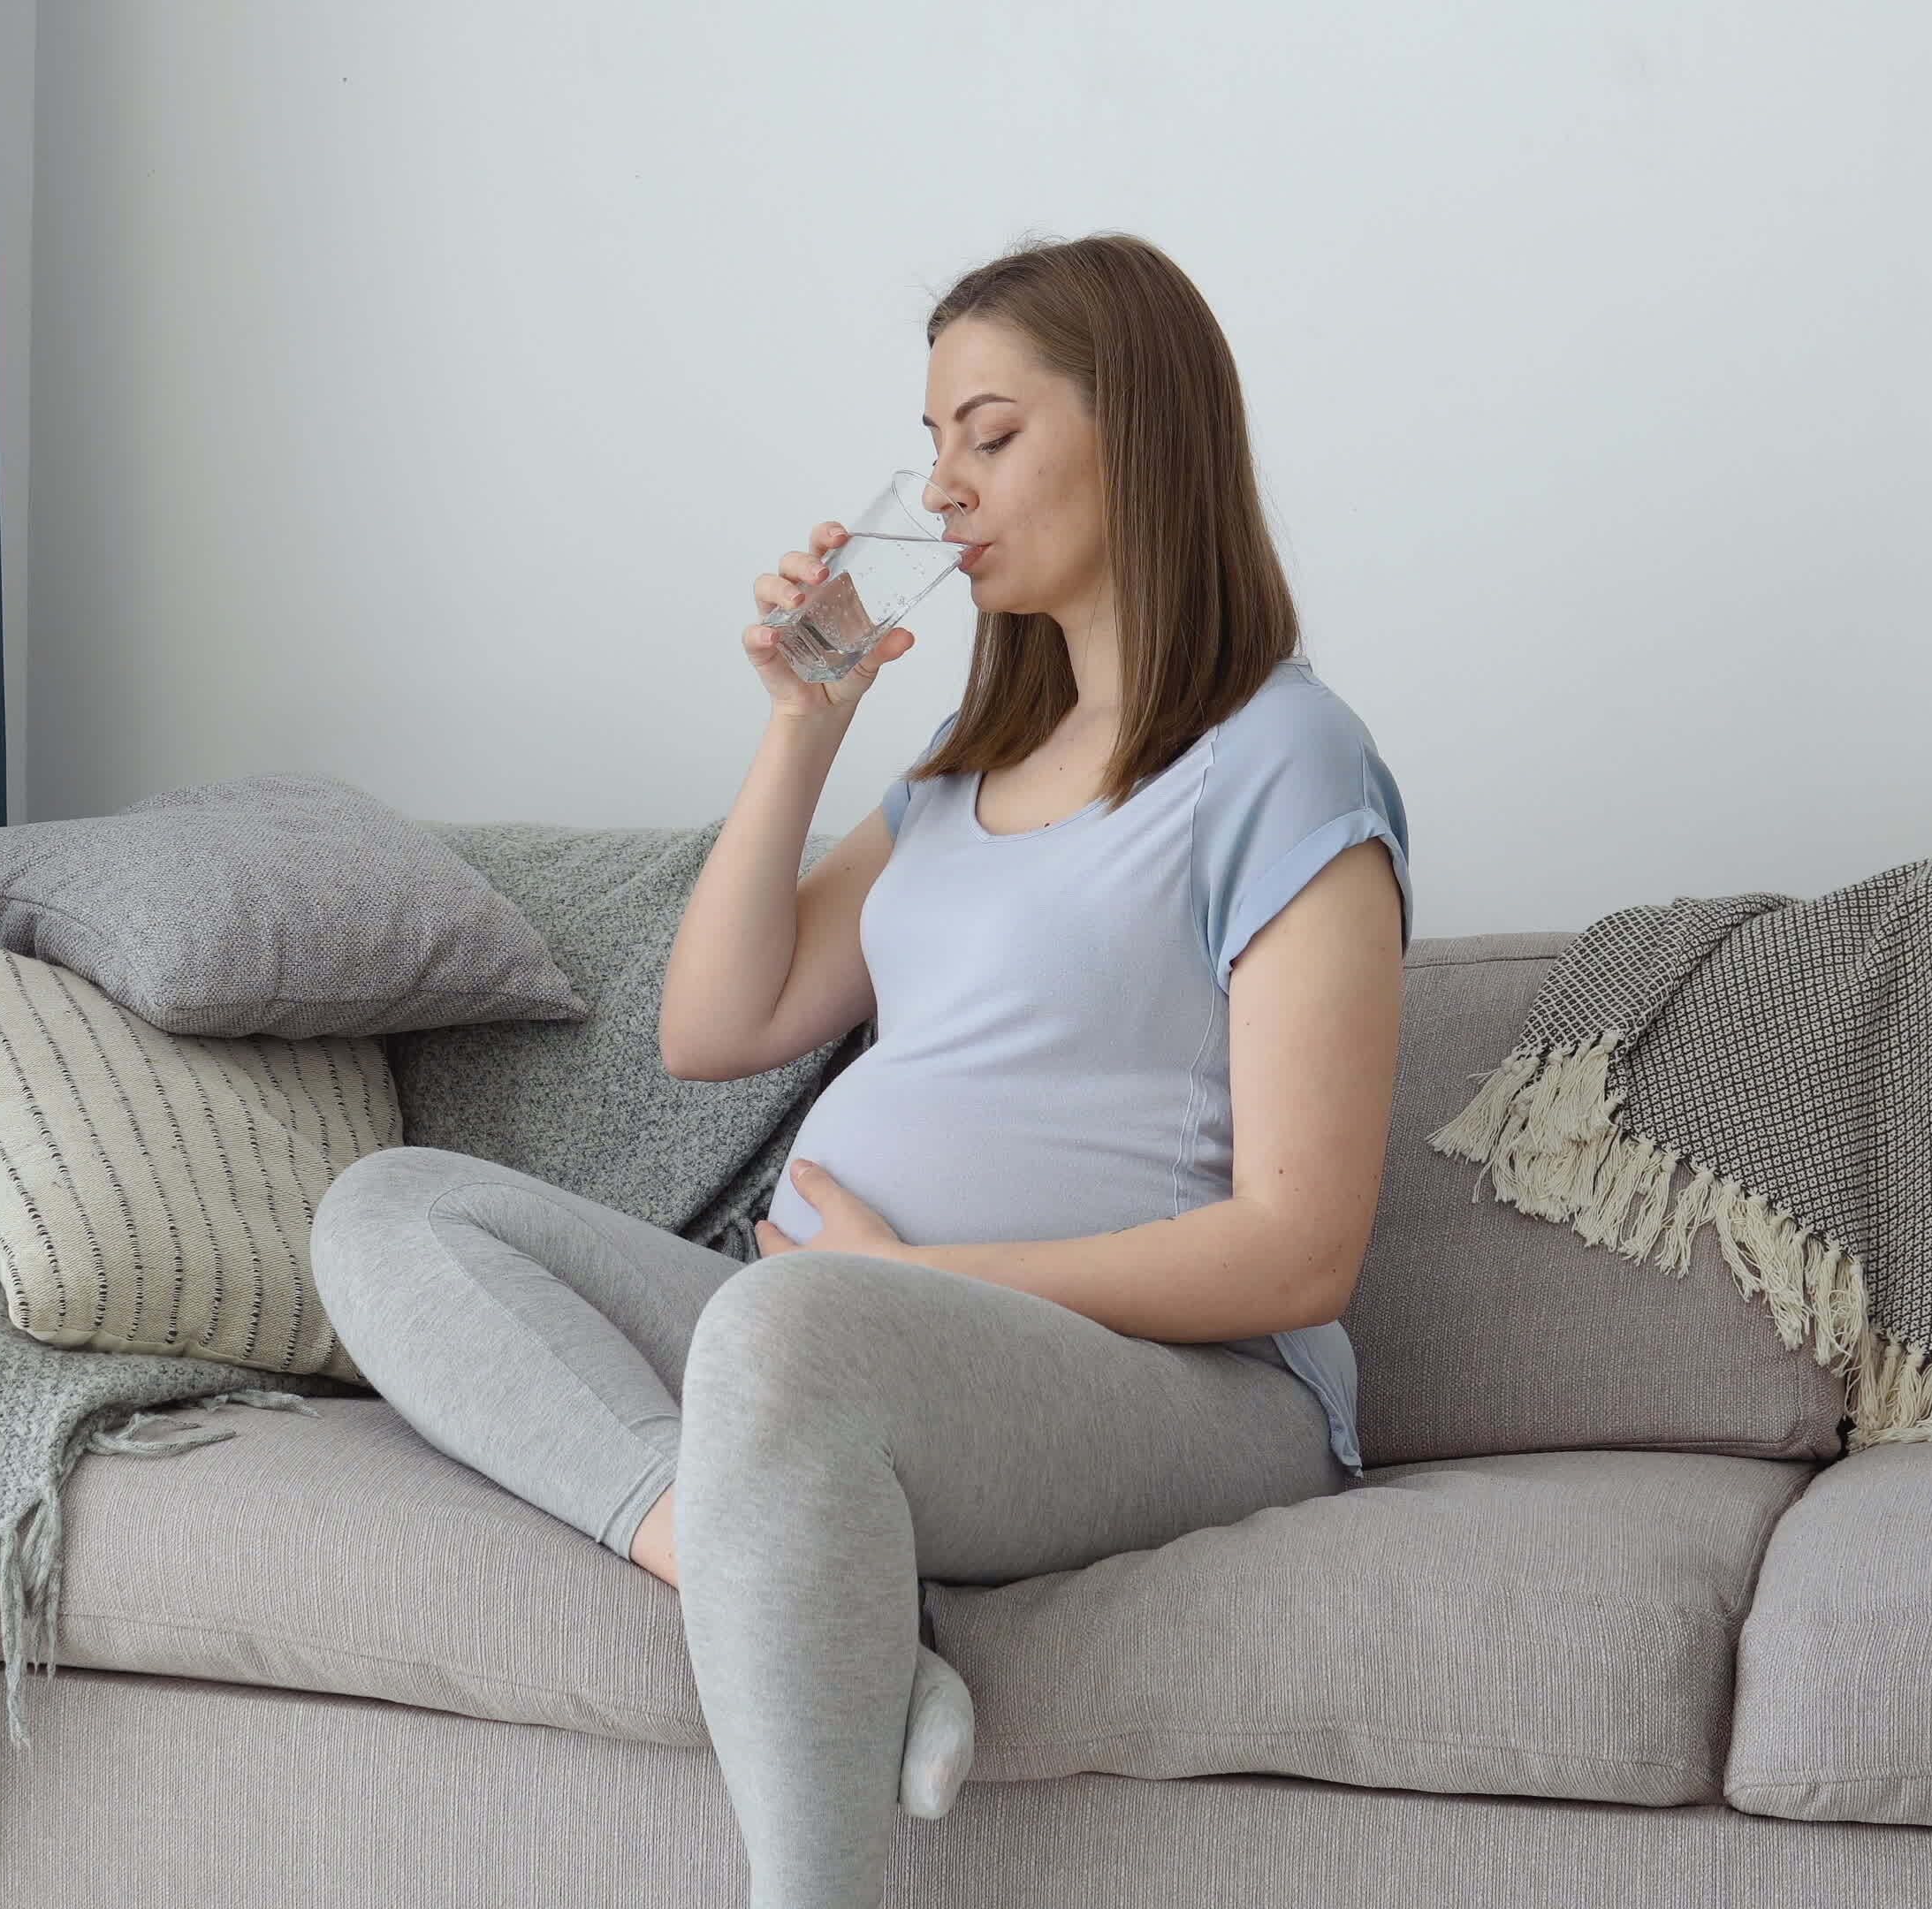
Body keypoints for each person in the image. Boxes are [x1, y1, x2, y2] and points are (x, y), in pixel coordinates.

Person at [308, 230, 1413, 1908]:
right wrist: (806, 723)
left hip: (1182, 1392)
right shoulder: (962, 776)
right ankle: (755, 1573)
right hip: (836, 1346)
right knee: (388, 1213)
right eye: (934, 445)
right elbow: (715, 1026)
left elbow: (1300, 1245)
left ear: (1143, 429)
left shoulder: (1284, 759)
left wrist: (918, 1279)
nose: (945, 487)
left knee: (786, 1322)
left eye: (991, 433)